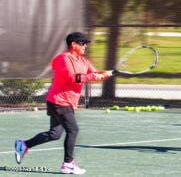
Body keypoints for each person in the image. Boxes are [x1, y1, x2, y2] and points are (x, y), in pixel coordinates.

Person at [14, 32, 114, 174]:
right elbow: (74, 78)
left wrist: (107, 73)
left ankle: (23, 145)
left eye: (86, 44)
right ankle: (68, 164)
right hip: (59, 101)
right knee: (73, 130)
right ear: (73, 45)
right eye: (83, 43)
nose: (85, 46)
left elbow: (95, 74)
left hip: (67, 102)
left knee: (55, 134)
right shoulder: (63, 59)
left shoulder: (84, 61)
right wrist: (95, 75)